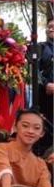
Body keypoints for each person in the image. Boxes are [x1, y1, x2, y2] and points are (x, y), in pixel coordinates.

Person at [0, 109, 52, 187]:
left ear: (42, 133)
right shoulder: (1, 148)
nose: (30, 131)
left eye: (37, 128)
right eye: (25, 126)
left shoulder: (41, 164)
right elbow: (5, 172)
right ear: (15, 127)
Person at [40, 19, 54, 154]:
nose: (51, 29)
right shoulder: (41, 47)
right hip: (47, 96)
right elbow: (33, 71)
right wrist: (46, 83)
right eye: (49, 27)